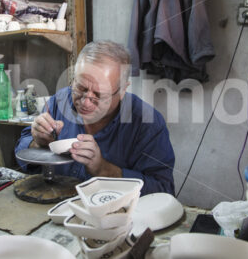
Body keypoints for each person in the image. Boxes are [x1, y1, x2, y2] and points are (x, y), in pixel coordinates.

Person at [15, 41, 175, 195]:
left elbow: (163, 190)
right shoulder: (60, 102)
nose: (85, 102)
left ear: (122, 91)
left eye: (99, 95)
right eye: (80, 88)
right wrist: (38, 143)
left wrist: (103, 170)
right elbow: (22, 155)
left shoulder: (147, 122)